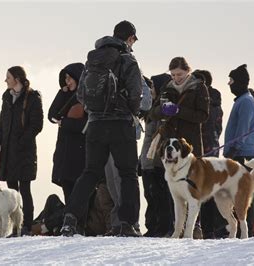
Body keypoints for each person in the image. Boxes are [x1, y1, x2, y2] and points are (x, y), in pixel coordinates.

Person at [60, 20, 142, 237]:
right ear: (130, 38)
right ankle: (127, 223)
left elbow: (81, 95)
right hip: (120, 124)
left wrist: (95, 111)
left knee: (90, 173)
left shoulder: (93, 59)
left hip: (95, 125)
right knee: (128, 174)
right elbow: (136, 94)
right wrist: (131, 111)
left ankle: (70, 219)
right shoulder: (128, 59)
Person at [149, 57, 210, 239]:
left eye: (180, 74)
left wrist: (179, 111)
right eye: (173, 75)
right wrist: (163, 110)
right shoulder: (167, 88)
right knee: (174, 187)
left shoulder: (198, 87)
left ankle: (195, 226)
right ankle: (176, 227)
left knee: (192, 187)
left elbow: (203, 115)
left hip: (189, 146)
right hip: (170, 145)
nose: (176, 78)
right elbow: (152, 113)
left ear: (188, 71)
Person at [0, 66, 44, 236]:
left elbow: (37, 125)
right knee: (12, 192)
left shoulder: (32, 98)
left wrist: (21, 141)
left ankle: (26, 226)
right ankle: (15, 227)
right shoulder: (7, 97)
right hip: (8, 152)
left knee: (25, 190)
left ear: (17, 79)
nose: (5, 80)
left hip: (24, 152)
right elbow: (1, 125)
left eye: (8, 77)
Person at [104, 75, 151, 236]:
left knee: (124, 179)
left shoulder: (131, 66)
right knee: (112, 181)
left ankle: (131, 223)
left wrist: (125, 106)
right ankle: (118, 223)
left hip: (125, 131)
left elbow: (146, 100)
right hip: (103, 132)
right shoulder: (98, 65)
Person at [223, 64, 254, 237]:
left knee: (243, 194)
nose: (229, 84)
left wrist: (233, 149)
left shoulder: (246, 101)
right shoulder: (242, 100)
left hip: (242, 154)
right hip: (238, 152)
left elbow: (243, 130)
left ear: (239, 82)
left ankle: (247, 230)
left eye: (231, 80)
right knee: (235, 192)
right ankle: (239, 229)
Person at [192, 69, 227, 239]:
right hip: (213, 150)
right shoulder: (217, 104)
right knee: (210, 192)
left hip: (201, 151)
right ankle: (209, 229)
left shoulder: (200, 103)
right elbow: (218, 128)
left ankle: (197, 227)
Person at [139, 73, 174, 237]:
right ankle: (153, 227)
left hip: (156, 162)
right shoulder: (151, 107)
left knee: (160, 197)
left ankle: (162, 227)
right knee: (150, 196)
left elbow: (159, 136)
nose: (150, 89)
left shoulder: (161, 109)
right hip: (147, 160)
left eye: (153, 86)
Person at [48, 63, 87, 204]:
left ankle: (78, 225)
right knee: (68, 193)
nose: (67, 82)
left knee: (79, 197)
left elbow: (86, 125)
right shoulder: (66, 96)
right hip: (64, 154)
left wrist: (65, 123)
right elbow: (52, 116)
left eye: (70, 78)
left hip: (78, 154)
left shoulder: (87, 98)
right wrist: (61, 93)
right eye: (65, 78)